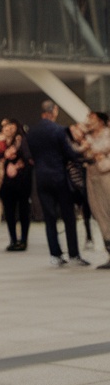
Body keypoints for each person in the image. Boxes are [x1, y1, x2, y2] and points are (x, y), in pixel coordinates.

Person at [27, 100, 90, 267]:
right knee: (68, 216)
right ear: (54, 111)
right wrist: (83, 153)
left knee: (49, 217)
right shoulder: (59, 130)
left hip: (41, 178)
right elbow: (69, 153)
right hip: (59, 177)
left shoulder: (32, 132)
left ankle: (55, 254)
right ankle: (74, 254)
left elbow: (29, 155)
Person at [80, 111, 110, 269]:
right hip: (92, 177)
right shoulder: (86, 137)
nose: (88, 121)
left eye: (91, 118)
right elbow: (78, 151)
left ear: (100, 121)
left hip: (107, 175)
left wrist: (101, 157)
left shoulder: (107, 133)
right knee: (99, 213)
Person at [0, 119, 32, 251]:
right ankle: (13, 239)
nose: (7, 129)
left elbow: (28, 158)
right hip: (7, 183)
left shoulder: (22, 140)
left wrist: (17, 166)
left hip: (21, 182)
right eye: (4, 127)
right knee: (9, 212)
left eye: (9, 126)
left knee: (23, 211)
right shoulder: (1, 142)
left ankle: (23, 240)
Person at [66, 123, 93, 250]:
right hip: (73, 182)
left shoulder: (88, 143)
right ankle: (74, 242)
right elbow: (72, 158)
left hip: (87, 181)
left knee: (87, 211)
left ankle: (89, 236)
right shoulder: (71, 146)